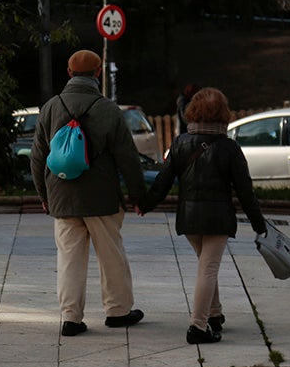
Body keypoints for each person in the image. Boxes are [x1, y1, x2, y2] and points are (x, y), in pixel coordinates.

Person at [136, 87, 266, 344]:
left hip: (189, 218)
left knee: (206, 265)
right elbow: (245, 192)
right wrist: (259, 224)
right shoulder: (229, 148)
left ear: (192, 112)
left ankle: (215, 315)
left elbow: (163, 181)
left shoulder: (180, 143)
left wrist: (146, 204)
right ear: (222, 114)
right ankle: (197, 326)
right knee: (208, 269)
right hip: (218, 219)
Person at [30, 50, 147, 337]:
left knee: (69, 258)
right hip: (101, 197)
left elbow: (37, 156)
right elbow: (128, 158)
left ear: (69, 73)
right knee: (111, 254)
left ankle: (71, 318)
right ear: (98, 74)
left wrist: (43, 193)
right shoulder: (108, 110)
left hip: (61, 195)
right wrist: (137, 195)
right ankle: (118, 311)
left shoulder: (50, 107)